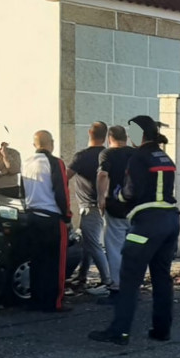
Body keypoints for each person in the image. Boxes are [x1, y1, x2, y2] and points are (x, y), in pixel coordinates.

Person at [88, 115, 180, 345]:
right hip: (171, 220)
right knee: (161, 277)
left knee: (129, 277)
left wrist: (113, 198)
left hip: (147, 222)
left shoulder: (139, 157)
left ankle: (120, 331)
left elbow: (131, 192)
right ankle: (162, 330)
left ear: (139, 135)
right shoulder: (165, 156)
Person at [20, 130, 72, 312]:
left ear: (34, 144)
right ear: (51, 143)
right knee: (56, 263)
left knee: (37, 260)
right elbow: (62, 192)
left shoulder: (26, 163)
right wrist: (67, 217)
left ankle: (36, 298)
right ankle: (54, 302)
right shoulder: (55, 162)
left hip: (32, 215)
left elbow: (22, 191)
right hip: (52, 218)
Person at [67, 122, 112, 294]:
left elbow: (65, 176)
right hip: (106, 204)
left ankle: (107, 280)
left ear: (89, 133)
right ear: (106, 136)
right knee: (87, 242)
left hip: (90, 205)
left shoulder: (82, 156)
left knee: (93, 244)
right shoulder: (108, 155)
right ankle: (82, 276)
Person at [96, 125, 135, 305]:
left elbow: (103, 175)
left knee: (114, 249)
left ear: (109, 138)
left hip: (116, 207)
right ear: (126, 137)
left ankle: (117, 288)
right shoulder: (135, 154)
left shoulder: (107, 154)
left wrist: (100, 198)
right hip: (135, 208)